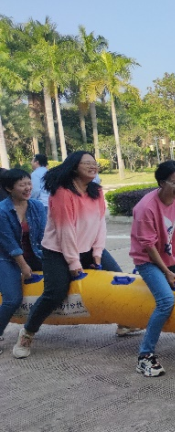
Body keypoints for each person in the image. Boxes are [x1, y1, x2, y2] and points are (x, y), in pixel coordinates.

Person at [12, 152, 115, 358]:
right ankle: (28, 333)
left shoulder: (96, 191)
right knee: (55, 293)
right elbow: (65, 231)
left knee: (117, 280)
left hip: (88, 249)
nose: (93, 166)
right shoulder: (62, 192)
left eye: (94, 163)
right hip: (57, 251)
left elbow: (100, 224)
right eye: (87, 163)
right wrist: (74, 263)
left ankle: (124, 322)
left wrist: (97, 253)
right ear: (74, 167)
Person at [129, 161, 175, 377]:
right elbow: (148, 247)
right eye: (174, 183)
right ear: (161, 183)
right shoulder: (146, 207)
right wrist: (167, 272)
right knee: (166, 301)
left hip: (170, 257)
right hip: (147, 261)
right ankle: (145, 355)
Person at [0, 169, 46, 355]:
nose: (28, 188)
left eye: (29, 183)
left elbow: (44, 235)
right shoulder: (2, 211)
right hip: (7, 258)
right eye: (22, 185)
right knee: (12, 299)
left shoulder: (37, 206)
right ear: (9, 188)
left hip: (35, 253)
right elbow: (9, 243)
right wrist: (24, 266)